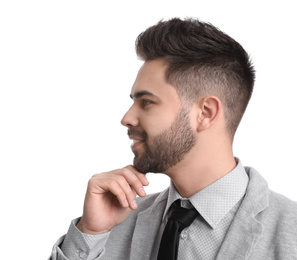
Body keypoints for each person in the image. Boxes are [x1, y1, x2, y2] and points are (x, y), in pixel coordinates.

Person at [50, 18, 297, 260]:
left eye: (146, 102)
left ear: (205, 113)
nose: (127, 118)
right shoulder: (110, 226)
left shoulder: (290, 233)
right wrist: (90, 233)